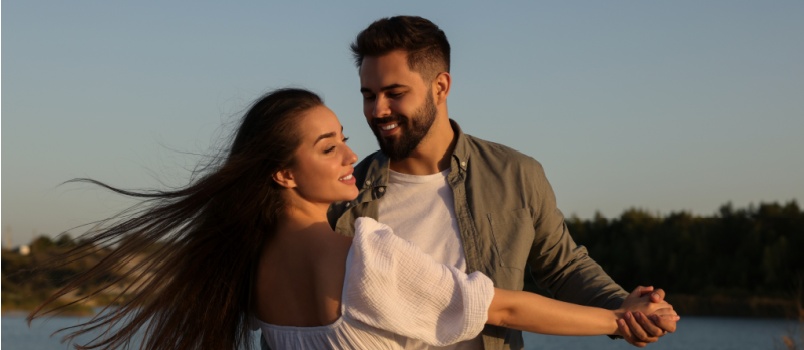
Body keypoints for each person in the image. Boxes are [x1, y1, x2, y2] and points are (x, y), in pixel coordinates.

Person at [29, 88, 677, 350]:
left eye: (343, 135)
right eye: (326, 146)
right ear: (283, 173)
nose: (349, 153)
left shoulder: (250, 266)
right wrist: (623, 321)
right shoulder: (362, 252)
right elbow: (500, 308)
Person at [325, 15, 679, 349]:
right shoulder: (343, 191)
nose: (378, 110)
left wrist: (624, 309)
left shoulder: (516, 174)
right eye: (368, 96)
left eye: (394, 93)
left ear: (441, 87)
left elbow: (564, 268)